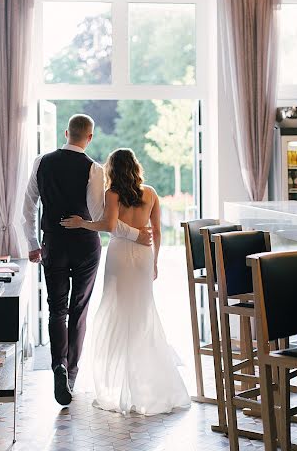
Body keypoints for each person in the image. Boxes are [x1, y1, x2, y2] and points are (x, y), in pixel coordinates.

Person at [22, 115, 152, 406]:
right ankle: (70, 374)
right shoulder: (93, 169)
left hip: (52, 243)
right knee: (78, 309)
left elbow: (28, 206)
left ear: (67, 133)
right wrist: (135, 235)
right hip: (84, 246)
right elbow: (100, 219)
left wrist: (33, 244)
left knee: (57, 309)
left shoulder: (41, 162)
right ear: (89, 137)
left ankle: (58, 364)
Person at [60, 148, 190, 415]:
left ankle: (117, 384)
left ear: (113, 169)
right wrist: (154, 261)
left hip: (119, 256)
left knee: (115, 312)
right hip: (143, 256)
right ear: (135, 166)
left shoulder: (113, 193)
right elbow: (156, 231)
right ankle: (142, 385)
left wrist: (82, 223)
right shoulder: (150, 193)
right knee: (142, 315)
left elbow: (108, 226)